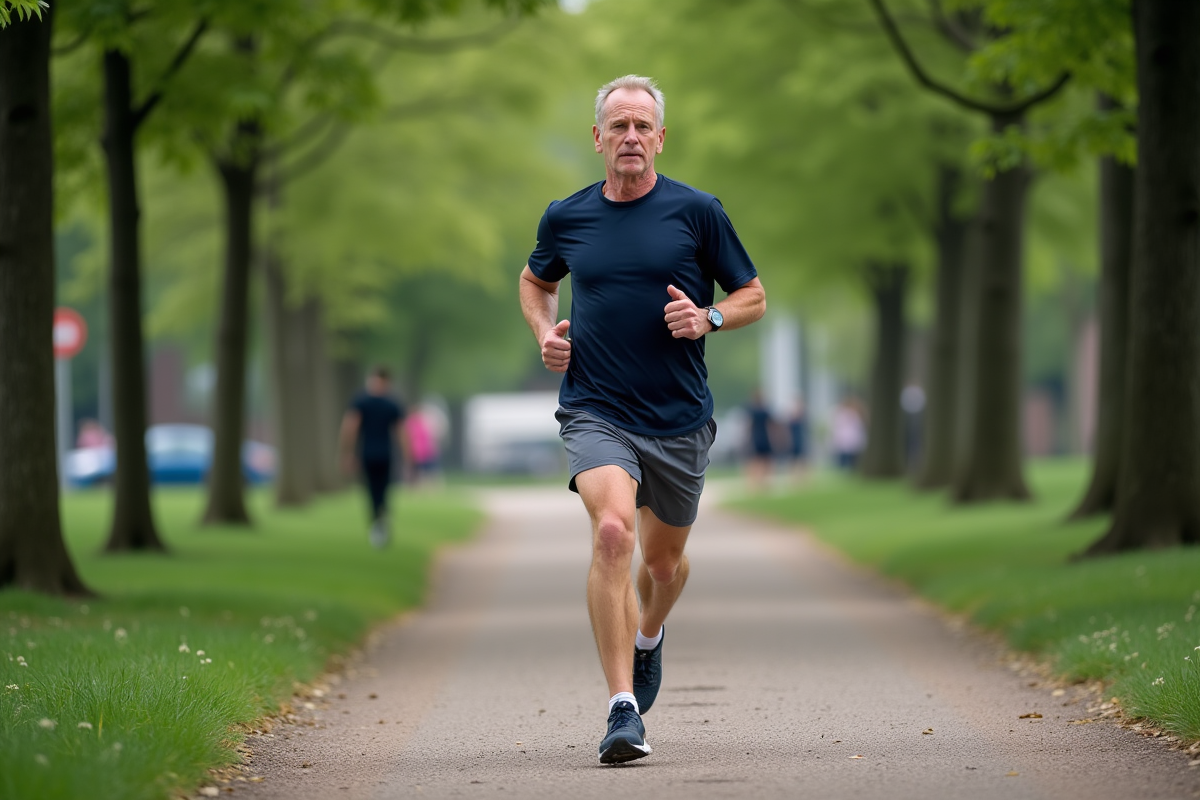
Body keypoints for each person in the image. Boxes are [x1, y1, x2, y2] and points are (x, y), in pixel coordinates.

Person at [518, 74, 767, 765]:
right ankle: (622, 710)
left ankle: (650, 633)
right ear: (597, 138)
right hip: (596, 408)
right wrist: (544, 334)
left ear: (661, 138)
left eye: (642, 126)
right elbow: (536, 280)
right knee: (611, 533)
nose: (631, 137)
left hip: (679, 417)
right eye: (618, 126)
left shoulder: (697, 212)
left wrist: (708, 316)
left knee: (664, 564)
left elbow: (753, 295)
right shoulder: (566, 216)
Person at [338, 367, 409, 549]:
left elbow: (350, 427)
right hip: (381, 454)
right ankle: (380, 521)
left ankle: (377, 523)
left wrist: (347, 453)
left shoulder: (362, 401)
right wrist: (408, 457)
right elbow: (401, 432)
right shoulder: (391, 403)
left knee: (375, 490)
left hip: (372, 454)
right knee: (379, 490)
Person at [745, 390, 775, 491]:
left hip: (756, 437)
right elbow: (770, 426)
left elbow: (749, 425)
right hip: (763, 437)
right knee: (764, 460)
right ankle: (762, 482)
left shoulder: (753, 411)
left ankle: (755, 482)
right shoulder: (764, 411)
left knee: (757, 460)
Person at [831, 396, 866, 471]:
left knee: (850, 458)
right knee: (845, 457)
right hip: (845, 439)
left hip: (851, 439)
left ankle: (848, 469)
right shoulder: (842, 414)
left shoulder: (852, 414)